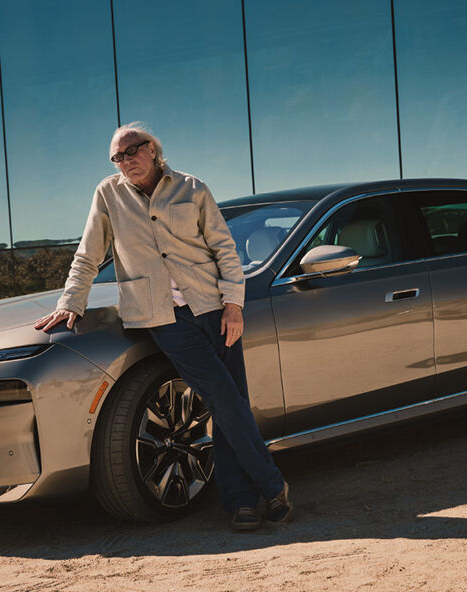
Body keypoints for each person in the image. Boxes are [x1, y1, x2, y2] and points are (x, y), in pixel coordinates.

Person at [33, 123, 291, 531]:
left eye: (132, 151)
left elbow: (224, 249)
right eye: (117, 157)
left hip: (213, 307)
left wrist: (233, 305)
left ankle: (241, 502)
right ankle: (272, 484)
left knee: (232, 403)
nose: (126, 161)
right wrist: (70, 303)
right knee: (222, 397)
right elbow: (87, 255)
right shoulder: (108, 194)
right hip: (163, 318)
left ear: (152, 149)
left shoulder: (192, 188)